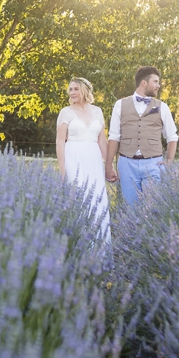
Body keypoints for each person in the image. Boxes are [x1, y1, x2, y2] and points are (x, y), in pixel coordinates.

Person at [105, 66, 178, 205]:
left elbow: (172, 136)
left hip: (154, 163)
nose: (158, 85)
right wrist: (108, 166)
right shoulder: (120, 105)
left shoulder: (162, 106)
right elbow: (114, 137)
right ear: (144, 83)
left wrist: (169, 161)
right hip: (126, 164)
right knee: (130, 209)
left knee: (154, 208)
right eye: (155, 82)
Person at [55, 77, 111, 245]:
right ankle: (78, 247)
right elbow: (59, 141)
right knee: (78, 199)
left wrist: (109, 166)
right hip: (74, 159)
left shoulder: (97, 112)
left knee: (96, 199)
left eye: (75, 89)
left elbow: (102, 142)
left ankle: (99, 248)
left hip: (94, 161)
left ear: (85, 91)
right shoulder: (65, 112)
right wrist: (63, 170)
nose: (72, 92)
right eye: (70, 89)